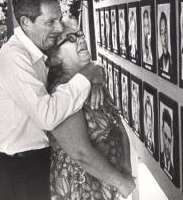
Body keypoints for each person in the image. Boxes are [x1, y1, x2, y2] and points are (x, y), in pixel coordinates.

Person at [0, 0, 104, 200]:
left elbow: (73, 58)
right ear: (26, 23)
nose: (59, 28)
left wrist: (95, 74)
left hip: (31, 164)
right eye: (50, 22)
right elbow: (47, 116)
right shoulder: (15, 57)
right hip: (16, 169)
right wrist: (88, 75)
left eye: (59, 19)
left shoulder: (38, 51)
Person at [46, 27, 136, 200]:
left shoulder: (94, 81)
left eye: (80, 34)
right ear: (55, 58)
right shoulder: (62, 93)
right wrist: (121, 183)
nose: (80, 39)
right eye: (70, 39)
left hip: (108, 182)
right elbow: (81, 154)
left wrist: (126, 167)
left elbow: (118, 126)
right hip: (81, 187)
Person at [160, 108, 174, 178]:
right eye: (165, 136)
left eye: (169, 140)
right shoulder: (160, 158)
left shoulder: (173, 170)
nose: (167, 145)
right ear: (162, 132)